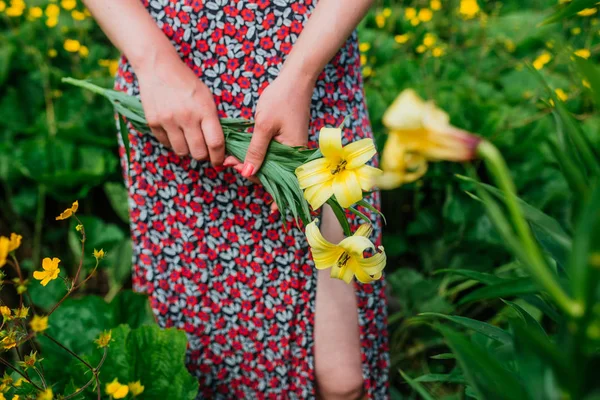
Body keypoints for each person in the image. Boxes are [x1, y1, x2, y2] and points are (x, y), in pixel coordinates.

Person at [82, 0, 388, 398]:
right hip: (173, 111)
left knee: (341, 375)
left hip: (310, 82)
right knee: (200, 356)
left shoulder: (308, 79)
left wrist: (301, 73)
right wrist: (153, 60)